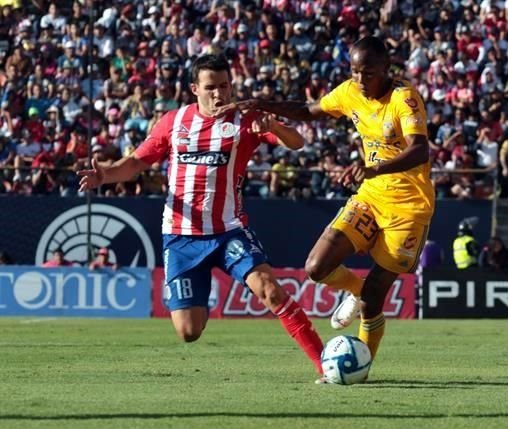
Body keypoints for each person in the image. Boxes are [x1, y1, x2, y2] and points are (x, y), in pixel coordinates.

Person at [77, 54, 325, 377]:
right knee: (188, 331)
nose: (219, 94)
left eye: (225, 86)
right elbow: (137, 162)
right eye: (211, 87)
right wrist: (104, 176)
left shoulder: (246, 118)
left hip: (229, 231)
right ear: (195, 89)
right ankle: (200, 291)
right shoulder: (173, 122)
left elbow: (298, 142)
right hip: (181, 236)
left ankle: (326, 363)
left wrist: (274, 125)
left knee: (270, 289)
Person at [217, 37, 434, 370]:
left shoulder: (404, 99)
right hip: (371, 195)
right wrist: (262, 103)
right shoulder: (350, 91)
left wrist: (372, 167)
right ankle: (356, 290)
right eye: (355, 71)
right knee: (316, 267)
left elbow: (420, 149)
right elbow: (308, 111)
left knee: (375, 298)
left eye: (369, 73)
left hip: (409, 207)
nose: (361, 80)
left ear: (386, 69)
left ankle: (358, 365)